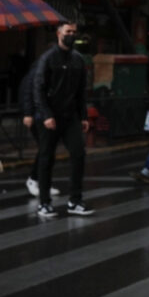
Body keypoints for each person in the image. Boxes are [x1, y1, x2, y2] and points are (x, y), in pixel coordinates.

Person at [32, 22, 94, 218]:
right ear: (59, 34)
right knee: (46, 158)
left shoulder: (78, 59)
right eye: (68, 32)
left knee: (78, 154)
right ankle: (44, 203)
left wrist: (83, 116)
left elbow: (81, 91)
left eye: (74, 32)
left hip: (71, 117)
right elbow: (38, 88)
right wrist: (46, 114)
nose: (72, 35)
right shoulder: (48, 58)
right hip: (51, 116)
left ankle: (75, 200)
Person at [19, 56, 59, 197]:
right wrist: (28, 113)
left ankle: (44, 183)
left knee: (48, 149)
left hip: (47, 114)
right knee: (45, 148)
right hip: (38, 115)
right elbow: (28, 92)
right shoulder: (38, 70)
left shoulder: (51, 70)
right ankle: (34, 180)